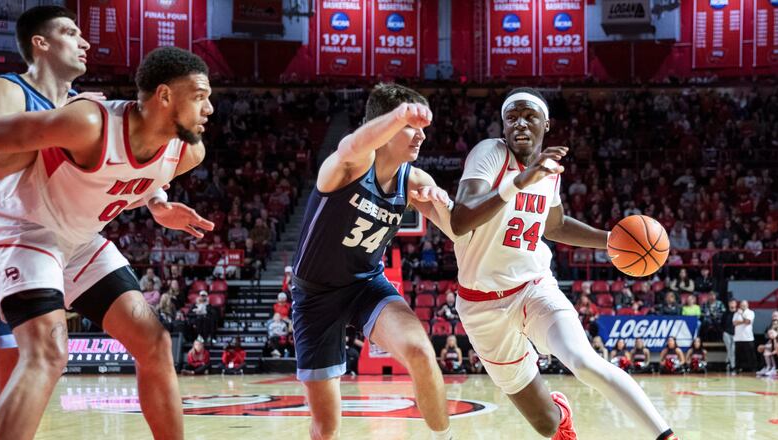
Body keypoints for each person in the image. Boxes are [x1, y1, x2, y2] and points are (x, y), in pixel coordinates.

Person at [0, 47, 215, 440]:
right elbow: (1, 135)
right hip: (23, 227)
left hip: (79, 241)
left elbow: (147, 175)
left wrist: (158, 205)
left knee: (155, 344)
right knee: (48, 353)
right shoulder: (91, 122)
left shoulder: (188, 153)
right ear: (164, 96)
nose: (209, 108)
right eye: (199, 96)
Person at [449, 88, 677, 440]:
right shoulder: (490, 153)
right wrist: (518, 183)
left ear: (547, 125)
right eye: (512, 118)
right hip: (481, 306)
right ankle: (562, 414)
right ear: (503, 126)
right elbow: (461, 219)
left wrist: (612, 241)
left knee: (584, 361)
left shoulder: (550, 171)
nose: (520, 124)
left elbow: (552, 225)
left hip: (533, 287)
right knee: (546, 424)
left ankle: (667, 436)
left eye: (529, 117)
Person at [290, 83, 454, 440]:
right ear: (387, 125)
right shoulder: (350, 165)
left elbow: (459, 232)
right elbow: (350, 146)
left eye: (422, 128)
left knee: (421, 352)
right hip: (315, 296)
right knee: (326, 429)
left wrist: (444, 204)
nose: (421, 136)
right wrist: (398, 116)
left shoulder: (414, 180)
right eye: (413, 126)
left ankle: (446, 438)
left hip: (365, 284)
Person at [0, 6, 104, 435]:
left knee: (19, 373)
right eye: (71, 33)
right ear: (41, 43)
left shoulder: (78, 107)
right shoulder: (6, 87)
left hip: (26, 240)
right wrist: (67, 136)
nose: (86, 42)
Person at [733, 300, 756, 373]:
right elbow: (734, 323)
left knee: (750, 355)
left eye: (744, 305)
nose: (742, 306)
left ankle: (753, 369)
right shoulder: (736, 313)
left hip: (748, 338)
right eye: (741, 305)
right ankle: (738, 368)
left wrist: (742, 315)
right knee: (738, 356)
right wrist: (743, 321)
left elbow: (748, 322)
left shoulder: (750, 312)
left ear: (747, 305)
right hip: (738, 338)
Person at [722, 299, 738, 371]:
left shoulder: (738, 313)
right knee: (730, 349)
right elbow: (722, 323)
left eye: (733, 303)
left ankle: (727, 361)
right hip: (727, 333)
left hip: (736, 334)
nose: (732, 304)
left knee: (733, 350)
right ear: (728, 304)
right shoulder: (725, 313)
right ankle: (732, 366)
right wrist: (723, 331)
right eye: (730, 303)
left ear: (736, 304)